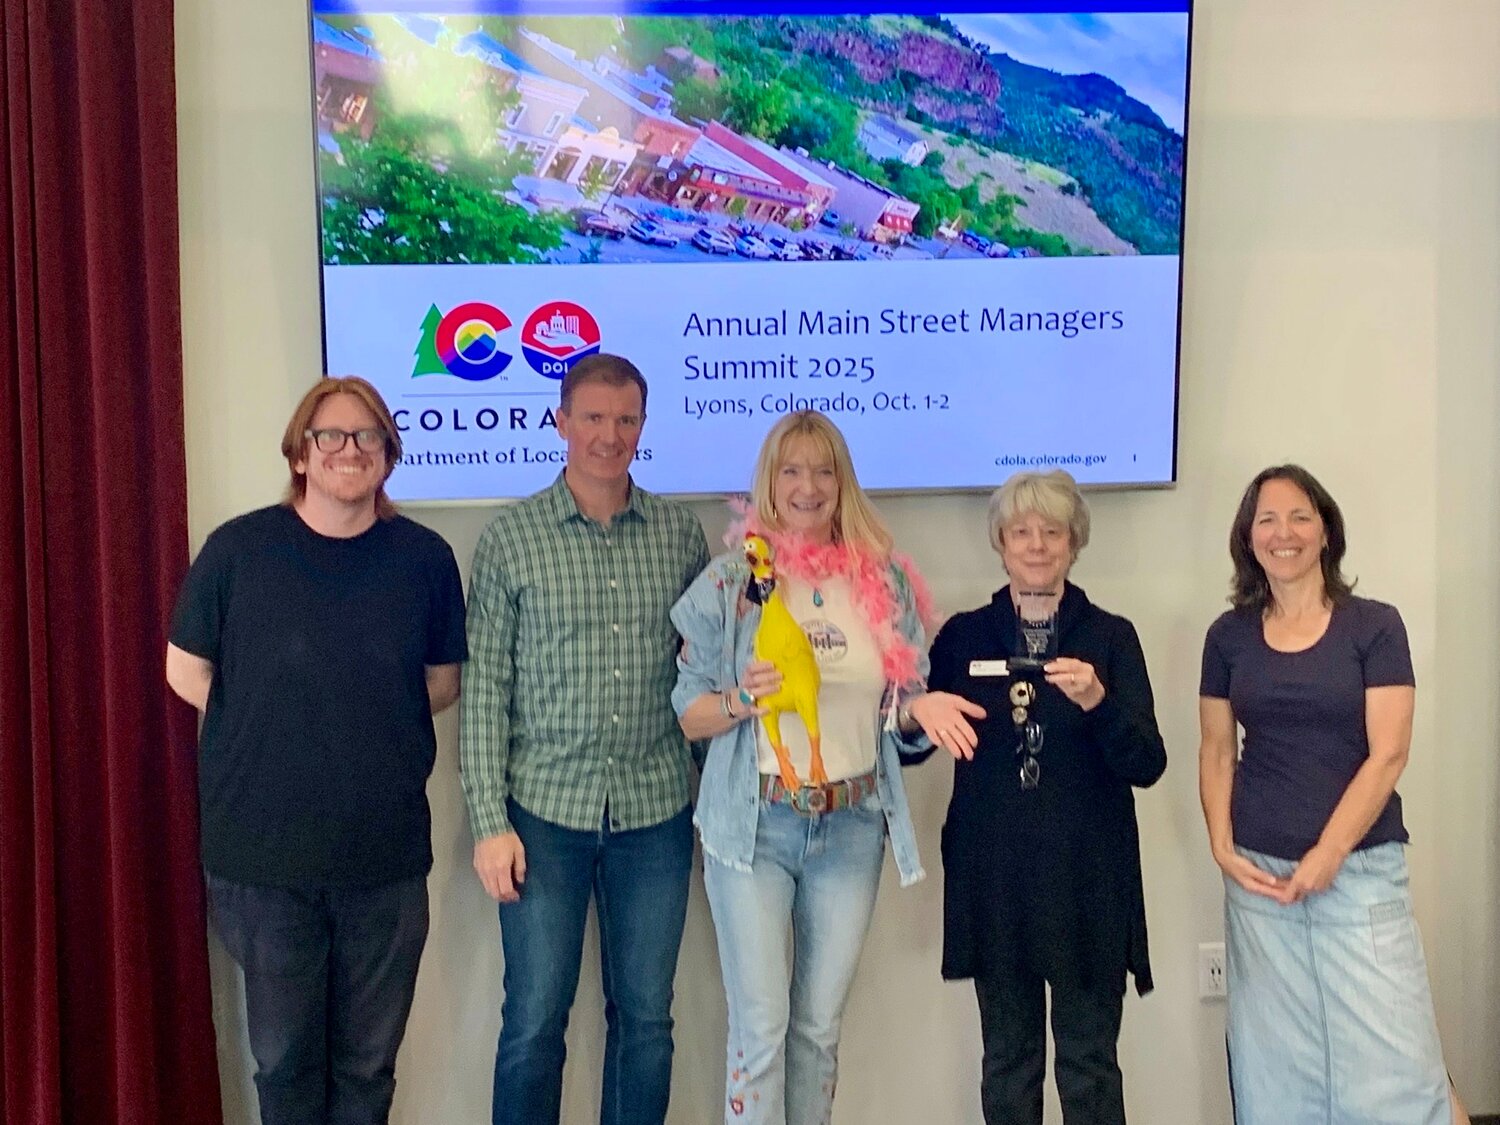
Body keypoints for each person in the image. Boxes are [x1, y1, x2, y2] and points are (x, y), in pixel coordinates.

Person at [165, 376, 467, 1124]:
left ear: (388, 457)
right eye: (330, 435)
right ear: (300, 453)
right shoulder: (239, 551)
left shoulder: (424, 558)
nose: (348, 450)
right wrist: (279, 714)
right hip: (264, 865)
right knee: (286, 1065)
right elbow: (185, 669)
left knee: (367, 1070)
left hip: (385, 862)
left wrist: (354, 711)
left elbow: (441, 680)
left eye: (367, 437)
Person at [671, 410, 983, 1124]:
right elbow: (689, 714)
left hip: (850, 826)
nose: (808, 486)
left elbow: (899, 706)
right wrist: (740, 698)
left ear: (843, 484)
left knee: (817, 1031)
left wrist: (921, 708)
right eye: (791, 470)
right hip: (753, 826)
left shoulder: (884, 585)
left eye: (823, 470)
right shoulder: (731, 583)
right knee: (763, 1031)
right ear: (768, 484)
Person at [461, 354, 709, 1125]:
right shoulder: (512, 537)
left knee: (646, 1020)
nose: (610, 435)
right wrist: (488, 822)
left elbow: (703, 674)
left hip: (655, 810)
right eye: (594, 418)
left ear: (643, 426)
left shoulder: (679, 535)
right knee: (534, 1021)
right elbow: (484, 691)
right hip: (542, 814)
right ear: (562, 422)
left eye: (626, 419)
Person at [1199, 464, 1469, 1125]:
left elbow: (1389, 753)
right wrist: (1221, 846)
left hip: (1360, 873)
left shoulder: (1374, 626)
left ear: (1325, 531)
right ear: (1248, 536)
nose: (1282, 532)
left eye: (1299, 516)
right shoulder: (1228, 635)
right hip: (1259, 881)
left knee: (1400, 1069)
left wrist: (1329, 851)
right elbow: (1215, 748)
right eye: (1267, 518)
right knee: (1277, 1071)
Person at [925, 469, 1166, 1125]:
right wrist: (914, 711)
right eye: (1022, 532)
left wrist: (1098, 701)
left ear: (1073, 543)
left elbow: (1147, 762)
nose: (1037, 545)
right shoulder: (962, 637)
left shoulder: (1111, 637)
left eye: (1052, 532)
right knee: (1007, 1061)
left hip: (1089, 885)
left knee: (1088, 1065)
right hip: (996, 882)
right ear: (1001, 543)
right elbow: (911, 742)